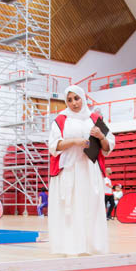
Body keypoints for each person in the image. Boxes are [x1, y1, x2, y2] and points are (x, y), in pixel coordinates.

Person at [47, 84, 115, 255]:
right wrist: (74, 141)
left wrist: (101, 136)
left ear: (83, 98)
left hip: (90, 170)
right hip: (68, 170)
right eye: (69, 100)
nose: (74, 103)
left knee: (90, 208)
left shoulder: (95, 118)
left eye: (76, 98)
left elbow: (108, 147)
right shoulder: (60, 120)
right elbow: (53, 146)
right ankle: (70, 247)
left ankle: (92, 246)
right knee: (70, 209)